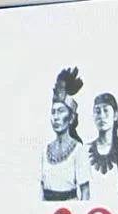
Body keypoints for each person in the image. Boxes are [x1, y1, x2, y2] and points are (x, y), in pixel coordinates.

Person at [40, 67, 91, 201]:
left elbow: (85, 192)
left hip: (70, 210)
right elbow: (41, 191)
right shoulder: (45, 150)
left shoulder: (78, 150)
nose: (56, 117)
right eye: (53, 112)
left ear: (71, 118)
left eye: (61, 111)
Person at [86, 93, 118, 200]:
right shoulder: (85, 152)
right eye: (97, 111)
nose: (101, 116)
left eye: (106, 110)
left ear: (115, 115)